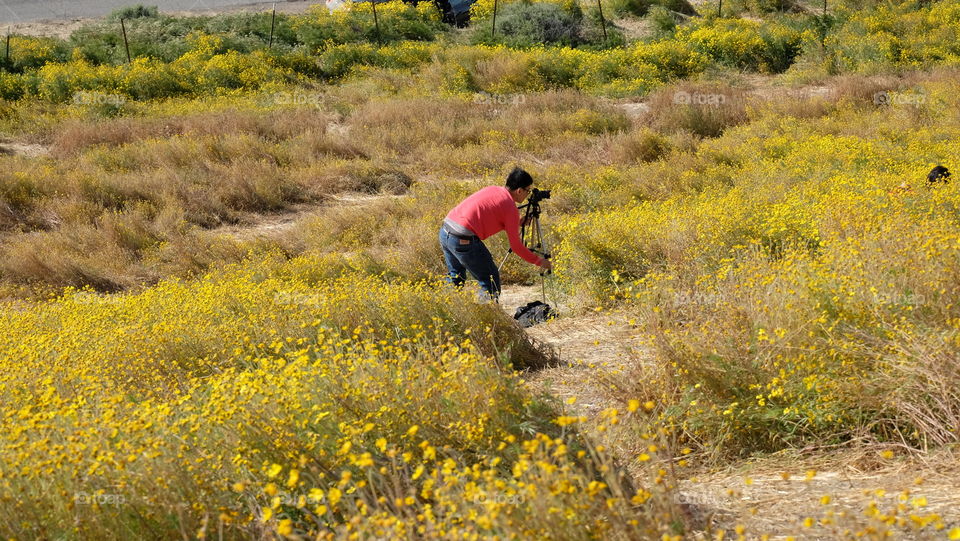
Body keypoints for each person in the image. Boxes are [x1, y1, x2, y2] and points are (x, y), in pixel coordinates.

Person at [439, 167, 553, 301]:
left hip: (446, 231)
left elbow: (487, 214)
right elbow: (516, 246)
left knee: (455, 277)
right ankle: (487, 317)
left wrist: (517, 223)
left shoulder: (493, 189)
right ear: (519, 190)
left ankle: (442, 308)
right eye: (527, 191)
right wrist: (539, 261)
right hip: (463, 239)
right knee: (490, 281)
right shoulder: (510, 207)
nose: (527, 194)